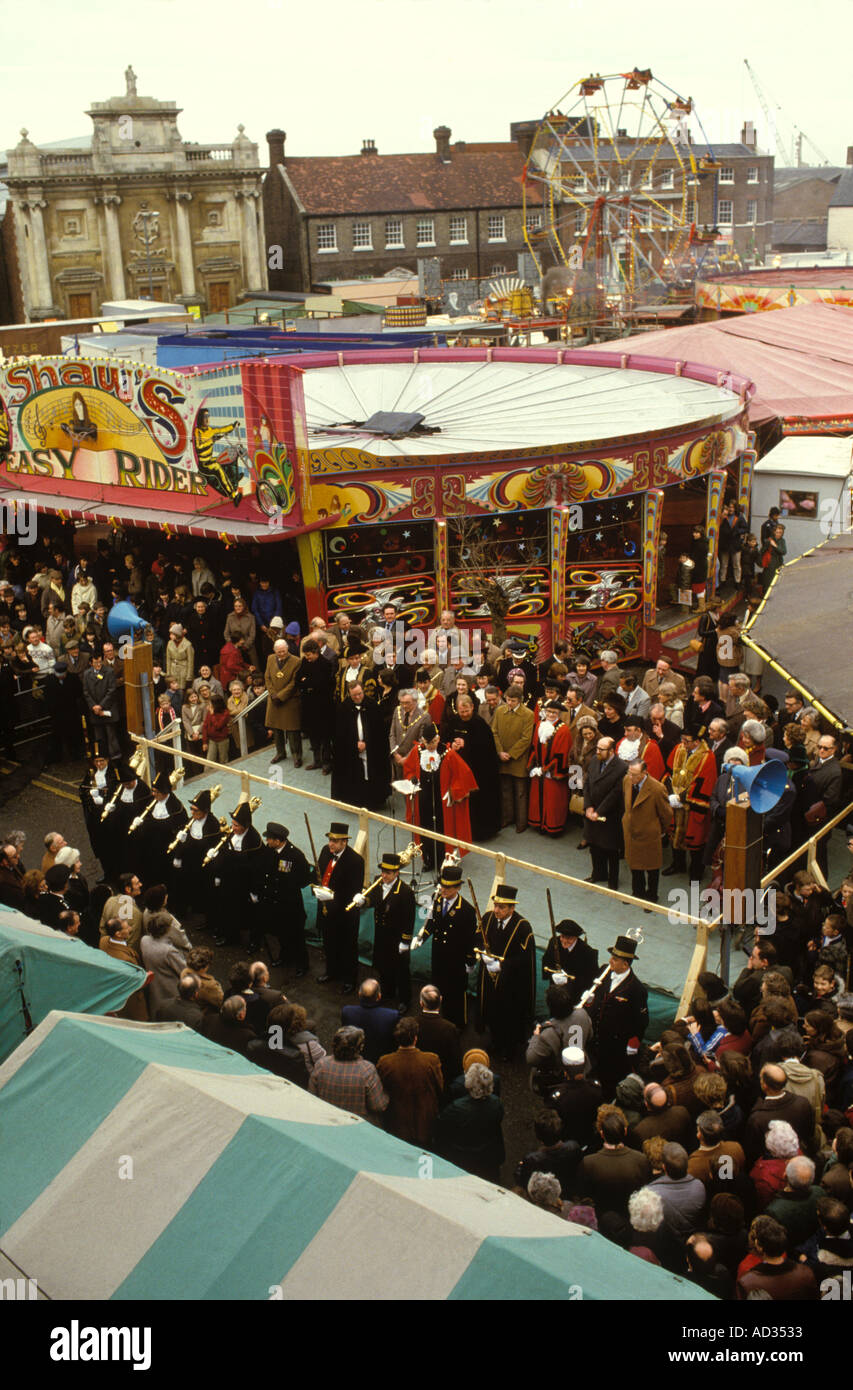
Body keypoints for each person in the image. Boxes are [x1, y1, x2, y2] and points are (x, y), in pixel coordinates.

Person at [400, 722, 477, 869]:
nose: (431, 746)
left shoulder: (448, 754)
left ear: (438, 739)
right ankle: (427, 858)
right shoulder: (417, 751)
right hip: (423, 797)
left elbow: (463, 774)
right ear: (423, 741)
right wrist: (411, 778)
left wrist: (452, 791)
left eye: (434, 742)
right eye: (428, 743)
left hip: (441, 800)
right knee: (425, 828)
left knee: (441, 830)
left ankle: (443, 859)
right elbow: (408, 769)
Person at [412, 863, 477, 1028]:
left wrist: (470, 961)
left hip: (455, 961)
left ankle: (458, 1026)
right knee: (438, 989)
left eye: (447, 888)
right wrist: (422, 937)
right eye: (442, 887)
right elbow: (432, 922)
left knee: (455, 995)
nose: (443, 890)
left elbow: (470, 938)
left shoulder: (467, 910)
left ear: (457, 888)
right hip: (439, 956)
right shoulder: (439, 900)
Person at [476, 884, 536, 1060]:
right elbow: (478, 937)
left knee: (509, 1015)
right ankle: (495, 1041)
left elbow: (525, 959)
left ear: (512, 907)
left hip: (511, 981)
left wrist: (502, 965)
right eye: (495, 905)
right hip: (489, 975)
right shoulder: (487, 918)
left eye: (501, 907)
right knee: (492, 1010)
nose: (496, 910)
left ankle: (509, 1048)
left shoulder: (523, 928)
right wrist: (482, 954)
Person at [351, 851, 416, 1012]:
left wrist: (405, 941)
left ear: (396, 873)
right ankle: (387, 992)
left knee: (401, 970)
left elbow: (409, 919)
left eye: (388, 873)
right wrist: (363, 901)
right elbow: (373, 899)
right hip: (382, 934)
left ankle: (405, 1000)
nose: (384, 875)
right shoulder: (378, 883)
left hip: (397, 937)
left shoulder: (405, 892)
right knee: (384, 965)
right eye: (383, 871)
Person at [586, 934, 649, 1095]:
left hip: (615, 1045)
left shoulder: (637, 990)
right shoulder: (604, 972)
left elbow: (641, 1021)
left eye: (614, 959)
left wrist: (633, 1044)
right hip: (596, 1038)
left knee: (609, 1078)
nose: (610, 962)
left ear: (625, 964)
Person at [313, 822, 364, 994]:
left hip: (344, 914)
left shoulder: (356, 861)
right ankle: (331, 971)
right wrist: (318, 890)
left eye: (335, 841)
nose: (331, 844)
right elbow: (319, 874)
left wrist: (332, 896)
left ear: (344, 842)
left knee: (347, 947)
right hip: (326, 909)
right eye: (330, 840)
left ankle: (349, 979)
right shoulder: (325, 851)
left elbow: (353, 890)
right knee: (329, 942)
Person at [432, 1062, 505, 1182]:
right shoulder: (497, 1103)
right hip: (487, 1157)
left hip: (463, 1157)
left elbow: (441, 1127)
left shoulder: (456, 1108)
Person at [376, 1016, 443, 1145]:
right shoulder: (431, 1060)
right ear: (415, 1038)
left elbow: (382, 1089)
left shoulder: (385, 1062)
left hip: (397, 1122)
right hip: (424, 1121)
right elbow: (439, 1087)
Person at [443, 693, 501, 841]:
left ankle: (478, 833)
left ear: (472, 707)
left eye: (467, 711)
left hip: (478, 771)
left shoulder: (480, 724)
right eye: (461, 712)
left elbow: (486, 749)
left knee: (477, 805)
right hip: (457, 770)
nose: (464, 715)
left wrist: (467, 744)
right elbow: (445, 740)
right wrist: (452, 745)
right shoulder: (453, 721)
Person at [257, 822, 313, 973]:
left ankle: (302, 964)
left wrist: (289, 885)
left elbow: (305, 879)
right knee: (282, 934)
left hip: (290, 904)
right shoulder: (270, 851)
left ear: (278, 840)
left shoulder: (295, 855)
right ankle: (285, 956)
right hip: (275, 902)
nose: (267, 842)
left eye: (269, 839)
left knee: (296, 936)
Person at [576, 1107, 652, 1218]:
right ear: (625, 1131)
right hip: (632, 1215)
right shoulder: (641, 1160)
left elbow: (583, 1193)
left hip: (602, 1217)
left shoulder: (588, 1163)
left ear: (602, 1134)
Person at [209, 799, 265, 949]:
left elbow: (257, 868)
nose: (232, 828)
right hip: (230, 880)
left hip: (245, 883)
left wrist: (255, 890)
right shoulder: (231, 835)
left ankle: (254, 942)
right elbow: (223, 854)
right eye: (232, 824)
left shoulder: (255, 841)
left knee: (250, 915)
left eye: (236, 825)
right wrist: (218, 874)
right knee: (229, 909)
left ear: (245, 826)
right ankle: (230, 936)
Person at [664, 731, 718, 881]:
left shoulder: (708, 757)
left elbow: (704, 783)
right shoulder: (678, 749)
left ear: (697, 741)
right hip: (675, 801)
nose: (683, 743)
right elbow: (668, 772)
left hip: (692, 805)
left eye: (687, 741)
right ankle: (678, 864)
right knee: (674, 833)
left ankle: (696, 872)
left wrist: (682, 798)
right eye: (682, 740)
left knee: (696, 840)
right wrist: (670, 793)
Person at [308, 1025, 389, 1121]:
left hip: (327, 1120)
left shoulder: (321, 1064)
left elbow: (311, 1097)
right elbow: (378, 1106)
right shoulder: (367, 1070)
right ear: (360, 1047)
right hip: (354, 1124)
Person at [622, 759, 674, 905]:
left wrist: (658, 830)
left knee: (652, 868)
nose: (631, 778)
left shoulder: (657, 788)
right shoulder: (626, 780)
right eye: (629, 773)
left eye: (635, 775)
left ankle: (651, 897)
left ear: (645, 772)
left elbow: (666, 814)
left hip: (649, 835)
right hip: (631, 832)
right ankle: (637, 893)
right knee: (634, 865)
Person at [332, 681, 390, 811]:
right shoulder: (343, 708)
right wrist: (354, 744)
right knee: (354, 772)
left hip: (371, 750)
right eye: (354, 695)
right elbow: (339, 734)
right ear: (349, 694)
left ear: (363, 691)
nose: (357, 697)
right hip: (351, 751)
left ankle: (373, 800)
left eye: (359, 694)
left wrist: (367, 743)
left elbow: (380, 732)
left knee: (371, 772)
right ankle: (355, 800)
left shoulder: (373, 705)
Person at [583, 735, 626, 889]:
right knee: (594, 845)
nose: (598, 751)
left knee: (611, 849)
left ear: (612, 751)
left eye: (602, 749)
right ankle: (598, 874)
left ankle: (612, 880)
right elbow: (587, 783)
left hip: (610, 815)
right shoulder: (595, 760)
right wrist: (588, 807)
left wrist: (599, 812)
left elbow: (615, 793)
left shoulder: (621, 768)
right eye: (597, 748)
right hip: (592, 810)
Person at [490, 686, 535, 834]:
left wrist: (511, 754)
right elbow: (494, 732)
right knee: (505, 790)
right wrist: (500, 752)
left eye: (513, 701)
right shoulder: (499, 711)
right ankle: (507, 818)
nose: (509, 703)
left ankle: (521, 822)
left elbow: (526, 739)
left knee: (520, 792)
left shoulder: (528, 714)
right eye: (508, 700)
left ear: (520, 701)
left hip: (519, 759)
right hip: (502, 756)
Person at [296, 638, 336, 774]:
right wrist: (308, 683)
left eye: (309, 655)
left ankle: (326, 763)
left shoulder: (326, 664)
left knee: (325, 737)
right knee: (313, 736)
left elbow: (322, 684)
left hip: (323, 707)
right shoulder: (305, 662)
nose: (307, 657)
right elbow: (298, 680)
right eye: (306, 655)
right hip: (309, 707)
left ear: (316, 652)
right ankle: (317, 761)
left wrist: (306, 682)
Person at [413, 984, 462, 1091]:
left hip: (417, 1074)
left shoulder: (412, 1024)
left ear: (421, 1003)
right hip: (441, 1077)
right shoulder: (450, 1028)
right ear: (441, 1000)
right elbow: (455, 1059)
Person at [341, 977, 400, 1064]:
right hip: (379, 1059)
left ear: (359, 994)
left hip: (354, 1057)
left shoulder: (347, 1011)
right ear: (379, 996)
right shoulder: (392, 1016)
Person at [264, 638, 302, 766]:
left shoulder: (296, 661)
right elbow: (267, 677)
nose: (281, 654)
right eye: (279, 652)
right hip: (273, 700)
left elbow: (293, 683)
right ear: (274, 651)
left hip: (289, 700)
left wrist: (280, 696)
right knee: (276, 729)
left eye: (283, 651)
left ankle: (296, 756)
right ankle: (280, 753)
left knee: (292, 731)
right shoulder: (270, 659)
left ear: (287, 649)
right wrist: (272, 693)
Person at [541, 919, 600, 997]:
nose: (564, 941)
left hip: (574, 994)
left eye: (569, 938)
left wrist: (568, 980)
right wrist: (552, 974)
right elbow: (546, 962)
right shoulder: (554, 942)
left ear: (576, 937)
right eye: (562, 936)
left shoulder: (588, 953)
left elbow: (590, 978)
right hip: (555, 990)